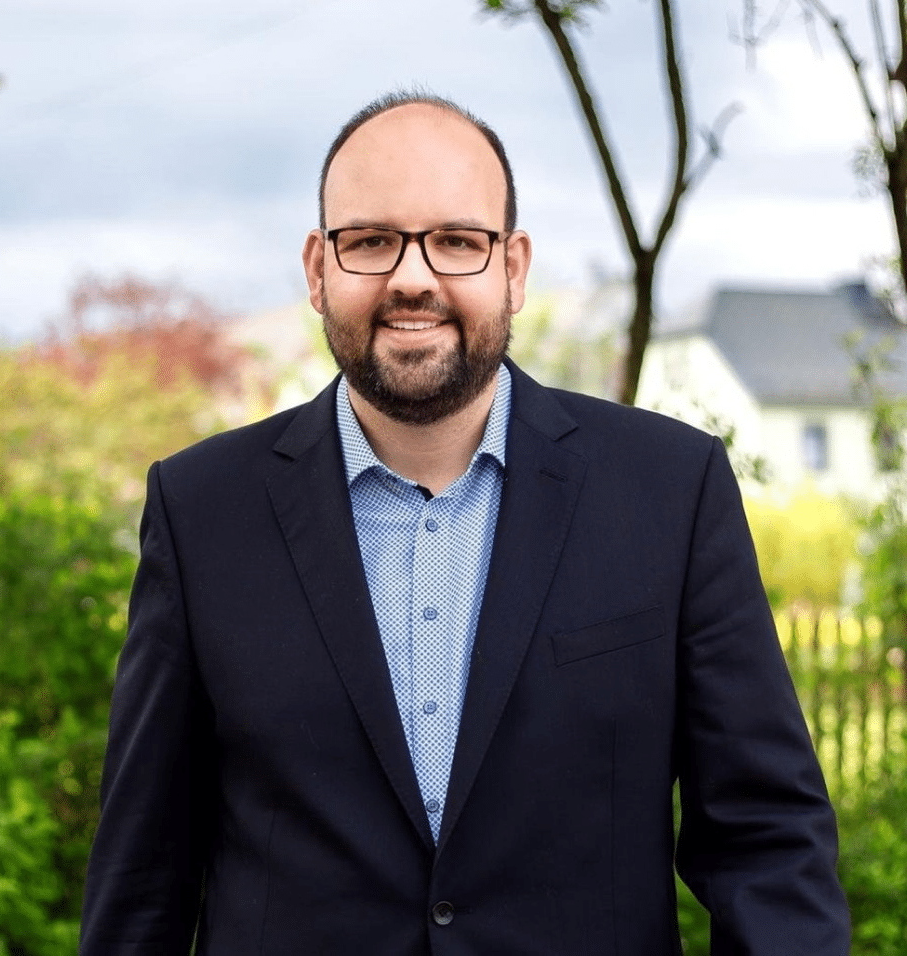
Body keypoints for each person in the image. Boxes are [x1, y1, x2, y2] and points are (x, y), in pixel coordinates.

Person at [80, 92, 850, 955]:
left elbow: (766, 844)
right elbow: (144, 879)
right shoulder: (201, 511)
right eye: (370, 241)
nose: (413, 277)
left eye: (457, 240)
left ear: (514, 268)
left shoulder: (669, 491)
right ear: (317, 268)